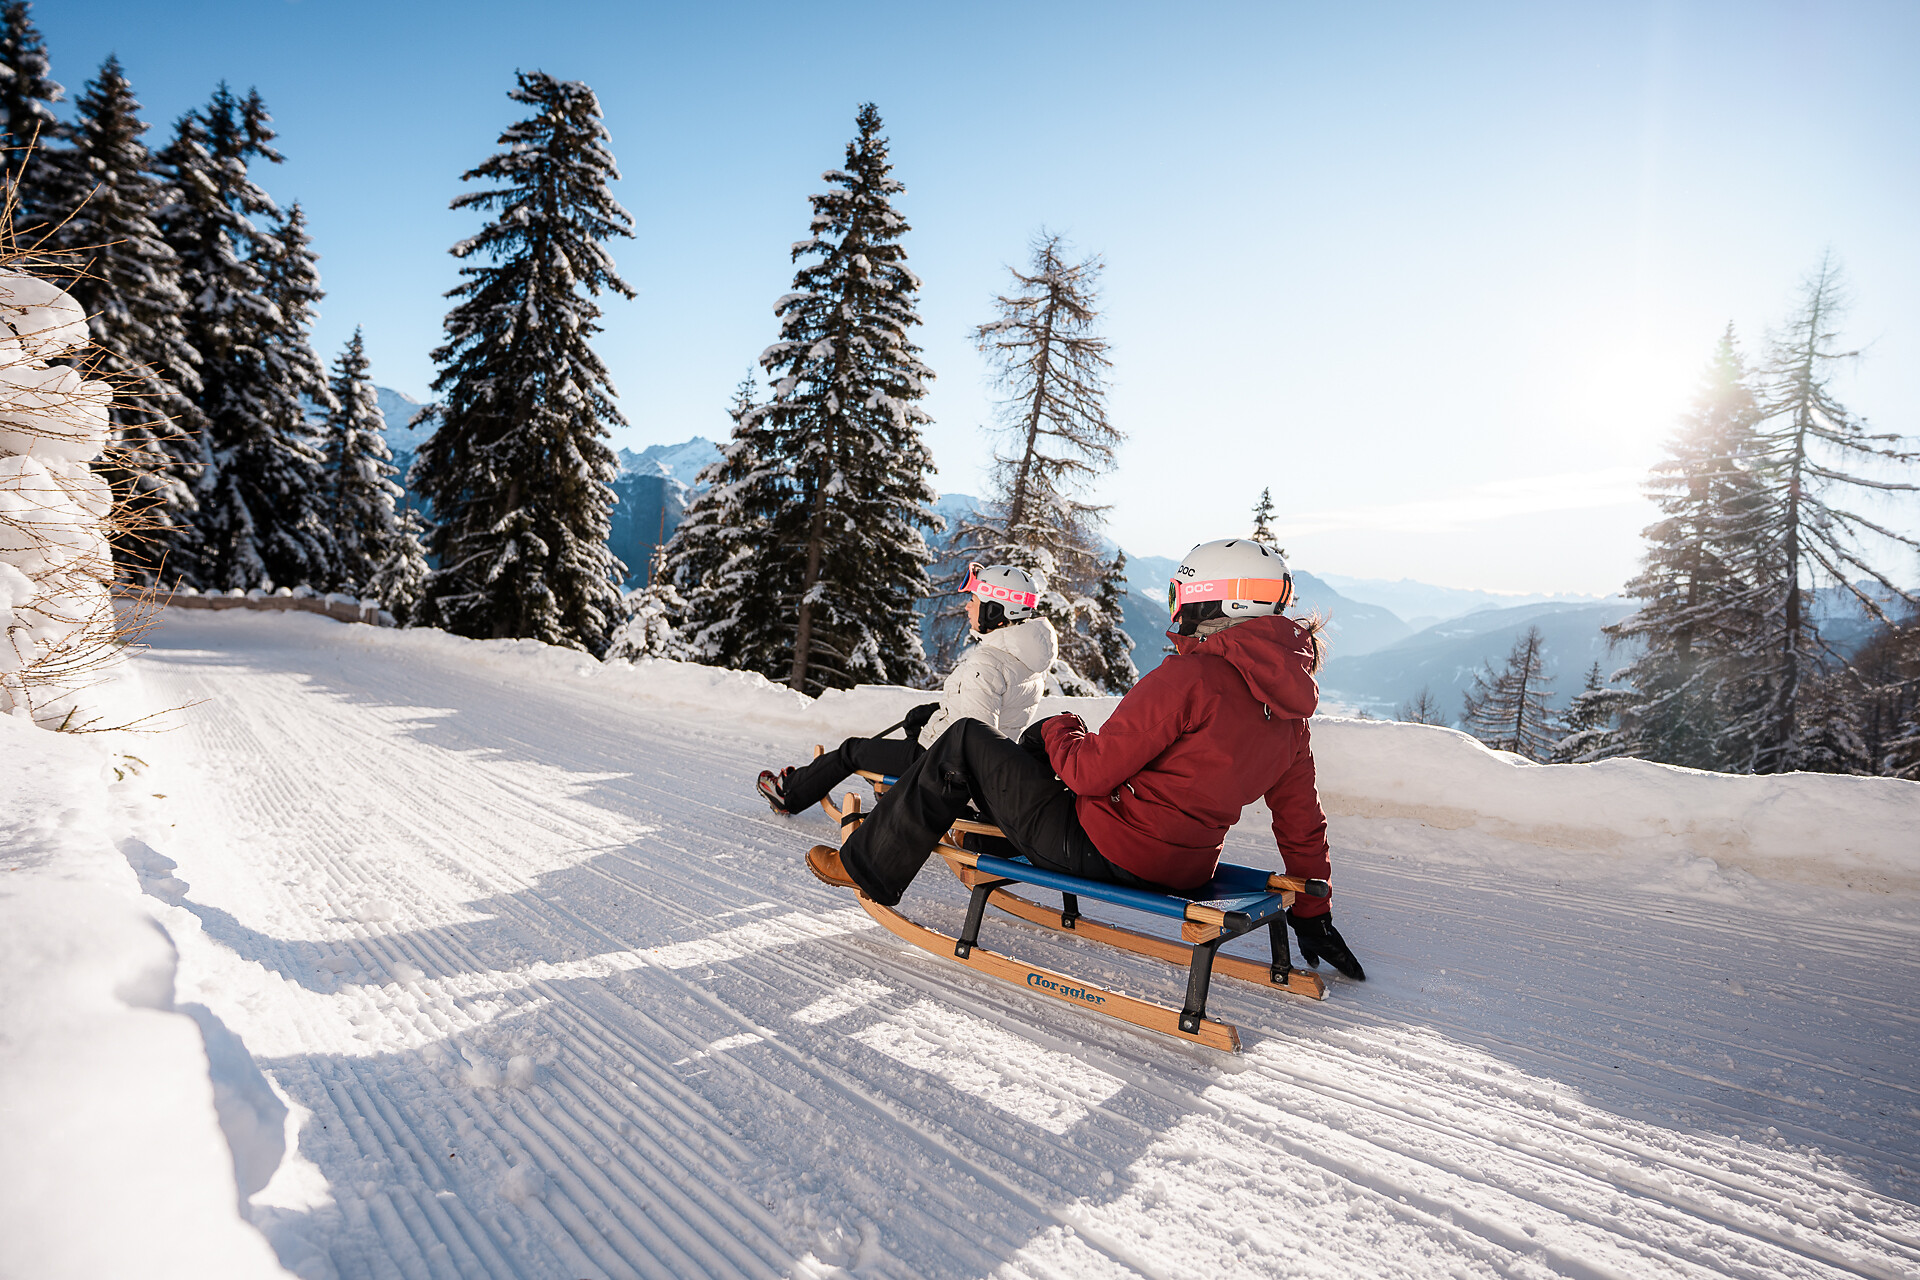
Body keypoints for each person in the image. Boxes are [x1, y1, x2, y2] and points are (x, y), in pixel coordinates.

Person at [808, 537, 1366, 980]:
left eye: (1181, 594)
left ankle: (866, 867)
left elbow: (1087, 771)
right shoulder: (1289, 714)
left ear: (1213, 599)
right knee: (1012, 753)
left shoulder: (1192, 676)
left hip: (1100, 848)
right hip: (1185, 867)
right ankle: (983, 834)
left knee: (965, 740)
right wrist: (1314, 916)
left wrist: (1060, 727)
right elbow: (1302, 825)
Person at [758, 562, 1058, 815]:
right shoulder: (1026, 659)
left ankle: (789, 794)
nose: (967, 606)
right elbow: (991, 716)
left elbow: (978, 742)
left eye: (975, 601)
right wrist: (937, 712)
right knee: (917, 722)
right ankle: (894, 791)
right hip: (951, 757)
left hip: (940, 765)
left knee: (852, 750)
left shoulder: (990, 662)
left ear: (995, 612)